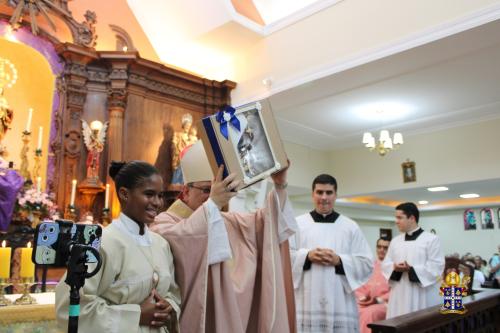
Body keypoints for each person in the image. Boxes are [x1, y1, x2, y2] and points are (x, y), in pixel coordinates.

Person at [152, 141, 298, 333]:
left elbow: (268, 224)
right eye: (207, 190)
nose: (214, 194)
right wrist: (213, 203)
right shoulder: (164, 223)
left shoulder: (229, 220)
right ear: (186, 192)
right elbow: (181, 240)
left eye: (220, 189)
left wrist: (279, 185)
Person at [55, 161, 180, 332]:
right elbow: (69, 308)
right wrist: (137, 315)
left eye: (160, 195)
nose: (157, 202)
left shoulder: (161, 244)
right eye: (149, 194)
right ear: (124, 194)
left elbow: (173, 293)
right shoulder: (101, 243)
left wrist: (168, 307)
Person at [290, 174, 373, 332]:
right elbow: (284, 257)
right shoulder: (297, 224)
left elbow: (366, 262)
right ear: (312, 194)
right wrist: (307, 256)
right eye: (319, 192)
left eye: (329, 192)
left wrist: (340, 260)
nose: (324, 197)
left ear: (336, 195)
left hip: (340, 300)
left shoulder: (350, 227)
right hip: (306, 299)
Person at [382, 202, 445, 318]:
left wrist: (411, 270)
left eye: (399, 217)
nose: (396, 221)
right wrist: (394, 268)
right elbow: (386, 263)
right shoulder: (395, 241)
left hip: (422, 294)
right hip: (400, 293)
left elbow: (436, 266)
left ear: (412, 218)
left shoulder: (431, 239)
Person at [355, 238, 391, 333]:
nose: (381, 250)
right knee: (351, 309)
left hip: (384, 303)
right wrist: (363, 298)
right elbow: (359, 286)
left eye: (385, 248)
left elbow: (396, 291)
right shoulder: (370, 266)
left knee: (369, 313)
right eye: (379, 247)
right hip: (367, 302)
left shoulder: (393, 268)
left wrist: (378, 299)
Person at [171, 113, 198, 184]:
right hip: (180, 156)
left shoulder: (190, 137)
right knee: (179, 170)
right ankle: (177, 182)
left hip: (188, 157)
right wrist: (176, 147)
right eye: (186, 126)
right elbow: (174, 143)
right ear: (183, 125)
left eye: (189, 126)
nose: (187, 128)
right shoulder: (178, 134)